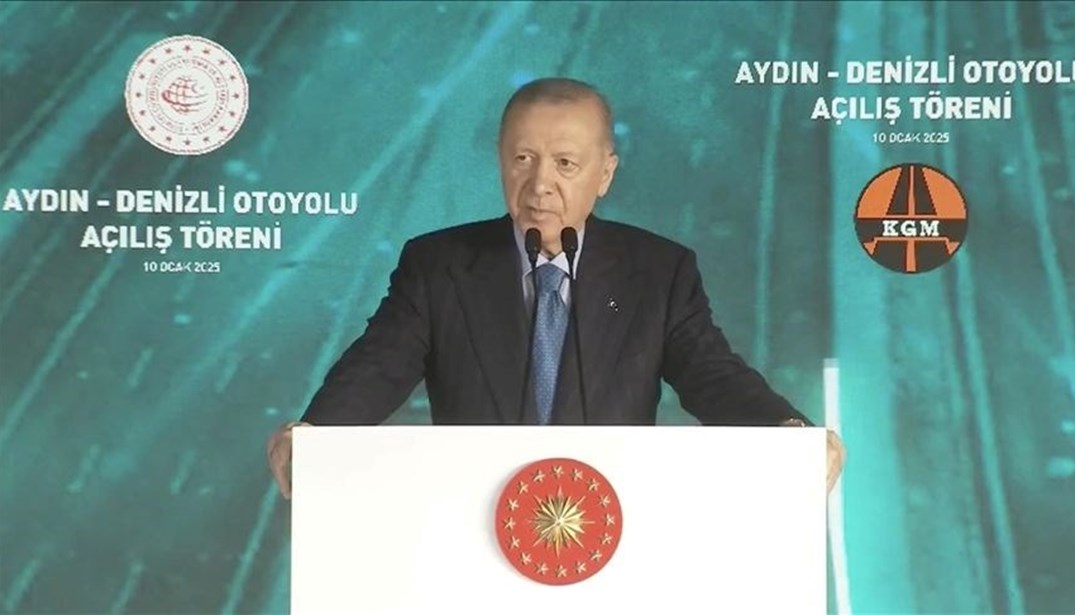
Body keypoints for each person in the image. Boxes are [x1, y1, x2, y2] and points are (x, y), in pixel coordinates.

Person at [268, 77, 845, 498]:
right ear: (500, 160)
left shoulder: (659, 271)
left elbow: (711, 374)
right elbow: (379, 364)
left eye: (566, 163)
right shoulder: (438, 265)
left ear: (605, 173)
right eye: (523, 158)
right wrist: (316, 435)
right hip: (468, 524)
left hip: (613, 531)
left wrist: (787, 432)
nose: (540, 184)